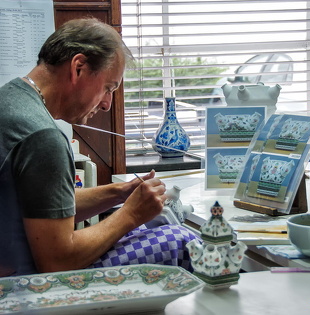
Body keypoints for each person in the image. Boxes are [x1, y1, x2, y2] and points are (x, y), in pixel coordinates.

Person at [0, 18, 198, 277]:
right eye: (108, 88)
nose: (107, 104)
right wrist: (130, 214)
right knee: (177, 239)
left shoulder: (12, 98)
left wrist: (120, 193)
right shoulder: (43, 136)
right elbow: (57, 262)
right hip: (18, 288)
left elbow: (44, 205)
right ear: (79, 67)